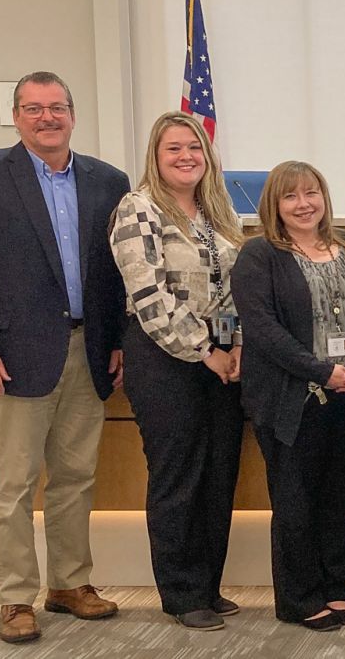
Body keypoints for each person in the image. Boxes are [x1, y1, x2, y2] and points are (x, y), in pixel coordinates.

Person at [0, 71, 128, 644]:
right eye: (33, 109)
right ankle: (16, 597)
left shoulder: (108, 180)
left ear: (73, 114)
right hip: (15, 355)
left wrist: (118, 338)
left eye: (56, 108)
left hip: (90, 348)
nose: (46, 118)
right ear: (16, 116)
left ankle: (70, 584)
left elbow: (117, 272)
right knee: (16, 484)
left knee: (76, 477)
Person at [235, 161, 345, 631]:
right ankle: (299, 598)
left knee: (343, 498)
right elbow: (264, 331)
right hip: (295, 398)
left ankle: (335, 589)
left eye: (312, 193)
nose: (303, 204)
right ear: (274, 204)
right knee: (296, 500)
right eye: (291, 197)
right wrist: (323, 372)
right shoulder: (259, 255)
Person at [109, 112, 246, 631]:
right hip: (164, 358)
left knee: (218, 474)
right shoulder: (138, 208)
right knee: (179, 475)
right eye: (174, 149)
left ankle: (209, 586)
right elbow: (149, 294)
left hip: (222, 362)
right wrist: (204, 349)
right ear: (156, 156)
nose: (186, 156)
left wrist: (230, 347)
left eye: (194, 147)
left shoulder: (218, 211)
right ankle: (182, 592)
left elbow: (231, 290)